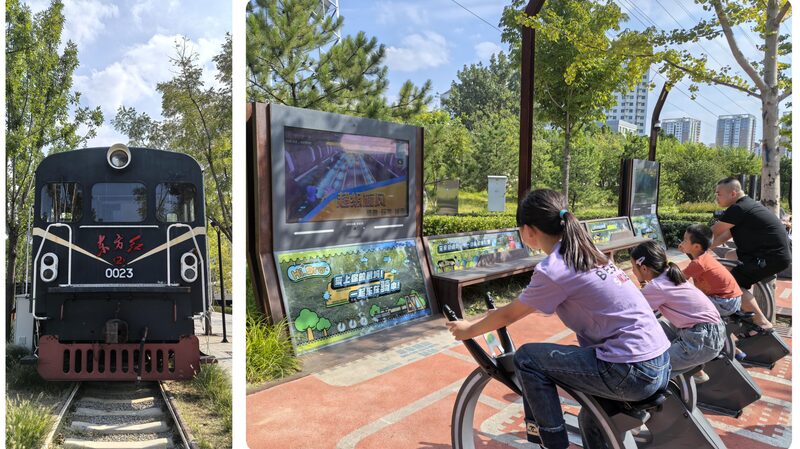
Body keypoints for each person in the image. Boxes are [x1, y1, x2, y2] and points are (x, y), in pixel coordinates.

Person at [446, 189, 671, 449]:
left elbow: (509, 315)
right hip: (659, 362)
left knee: (527, 358)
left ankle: (552, 442)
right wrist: (494, 315)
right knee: (592, 419)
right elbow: (529, 304)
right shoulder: (588, 252)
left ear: (528, 231)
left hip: (629, 369)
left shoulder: (554, 267)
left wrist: (466, 329)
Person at [630, 240, 725, 385]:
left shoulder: (656, 286)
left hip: (701, 340)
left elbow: (631, 311)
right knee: (660, 326)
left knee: (649, 369)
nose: (632, 271)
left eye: (633, 267)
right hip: (712, 332)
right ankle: (696, 372)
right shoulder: (670, 274)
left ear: (643, 268)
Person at [712, 177, 791, 334]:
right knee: (730, 255)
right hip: (770, 254)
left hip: (769, 258)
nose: (716, 198)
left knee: (731, 285)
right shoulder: (746, 205)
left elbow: (710, 233)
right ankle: (740, 304)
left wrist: (691, 243)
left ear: (733, 193)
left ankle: (761, 321)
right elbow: (724, 235)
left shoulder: (738, 209)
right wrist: (705, 248)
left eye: (719, 194)